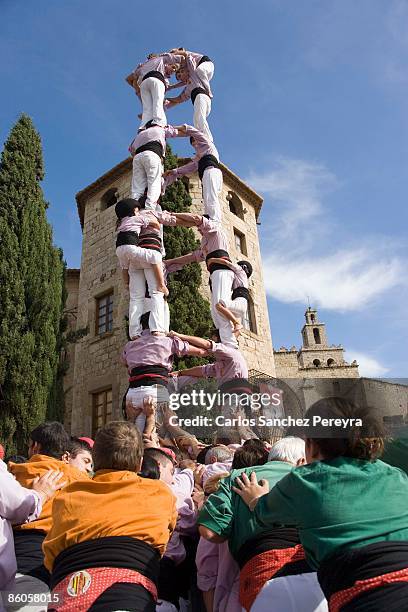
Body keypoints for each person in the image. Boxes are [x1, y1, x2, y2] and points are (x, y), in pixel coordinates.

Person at [233, 398, 408, 611]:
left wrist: (254, 497)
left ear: (312, 445)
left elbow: (265, 512)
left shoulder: (305, 480)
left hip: (368, 597)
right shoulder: (395, 474)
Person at [43, 421, 178, 612]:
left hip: (69, 595)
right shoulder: (160, 494)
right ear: (140, 463)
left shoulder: (67, 495)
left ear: (95, 460)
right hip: (129, 597)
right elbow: (164, 540)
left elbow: (51, 556)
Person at [199, 436, 327, 612]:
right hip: (317, 580)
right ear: (302, 460)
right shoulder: (314, 481)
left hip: (260, 580)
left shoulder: (236, 478)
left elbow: (209, 532)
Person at [8, 422, 86, 606]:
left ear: (35, 446)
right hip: (62, 568)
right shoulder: (80, 481)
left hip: (20, 560)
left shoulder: (13, 474)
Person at [115, 198, 200, 338]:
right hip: (148, 255)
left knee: (136, 297)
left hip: (133, 260)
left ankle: (134, 332)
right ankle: (157, 328)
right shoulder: (147, 214)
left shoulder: (121, 224)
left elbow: (124, 264)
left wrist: (126, 282)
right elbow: (170, 220)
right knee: (156, 292)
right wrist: (195, 222)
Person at [121, 313, 207, 434]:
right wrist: (211, 350)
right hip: (155, 390)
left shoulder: (129, 345)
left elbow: (125, 363)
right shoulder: (167, 341)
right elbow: (199, 351)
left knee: (137, 437)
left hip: (133, 393)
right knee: (166, 432)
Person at [165, 215, 240, 347]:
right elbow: (192, 257)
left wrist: (171, 216)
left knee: (220, 304)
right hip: (216, 274)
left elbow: (196, 218)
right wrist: (170, 262)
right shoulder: (205, 242)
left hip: (222, 272)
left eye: (199, 227)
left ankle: (234, 330)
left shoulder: (214, 229)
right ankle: (227, 341)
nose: (198, 229)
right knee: (217, 312)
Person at [0, 463, 65, 612]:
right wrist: (40, 494)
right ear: (66, 457)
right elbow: (17, 502)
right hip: (29, 583)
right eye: (86, 461)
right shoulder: (70, 480)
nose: (89, 468)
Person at [164, 125, 222, 223]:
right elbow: (190, 167)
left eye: (195, 141)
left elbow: (191, 130)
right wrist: (174, 171)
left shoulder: (207, 145)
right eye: (192, 143)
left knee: (210, 195)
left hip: (211, 171)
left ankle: (214, 219)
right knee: (207, 196)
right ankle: (209, 217)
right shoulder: (199, 157)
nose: (194, 144)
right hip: (208, 174)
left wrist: (173, 127)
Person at [165, 50, 214, 142]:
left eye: (181, 72)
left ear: (187, 71)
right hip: (202, 101)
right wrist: (166, 99)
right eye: (178, 76)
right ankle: (203, 141)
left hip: (202, 96)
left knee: (199, 119)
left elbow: (187, 56)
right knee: (197, 121)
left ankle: (208, 140)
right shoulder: (188, 89)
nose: (180, 75)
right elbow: (179, 99)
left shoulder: (193, 73)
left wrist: (174, 54)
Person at [125, 53, 184, 129]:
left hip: (144, 85)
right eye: (173, 67)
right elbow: (181, 57)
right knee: (158, 103)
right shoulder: (161, 60)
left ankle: (143, 127)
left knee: (147, 109)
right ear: (167, 64)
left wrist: (138, 89)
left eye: (175, 70)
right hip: (156, 80)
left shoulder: (143, 66)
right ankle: (159, 124)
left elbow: (128, 79)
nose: (174, 70)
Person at [128, 122, 180, 209]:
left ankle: (134, 208)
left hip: (137, 157)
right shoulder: (160, 129)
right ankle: (150, 207)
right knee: (154, 182)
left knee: (137, 186)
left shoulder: (139, 135)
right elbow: (175, 132)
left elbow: (131, 149)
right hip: (152, 154)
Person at [206, 259, 253, 337]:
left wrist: (212, 260)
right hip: (241, 306)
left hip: (239, 304)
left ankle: (236, 323)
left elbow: (227, 263)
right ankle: (235, 339)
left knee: (219, 305)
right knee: (228, 322)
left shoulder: (240, 271)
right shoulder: (241, 279)